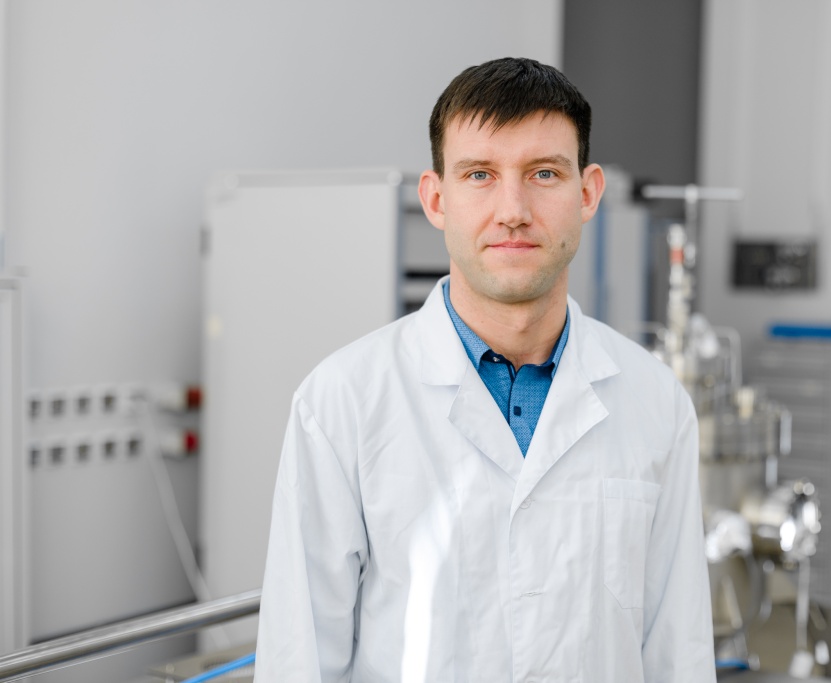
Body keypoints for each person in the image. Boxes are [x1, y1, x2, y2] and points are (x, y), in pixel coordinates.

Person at [254, 57, 714, 682]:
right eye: (479, 175)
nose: (513, 209)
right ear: (436, 198)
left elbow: (678, 653)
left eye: (544, 173)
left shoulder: (656, 401)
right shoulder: (341, 401)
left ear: (587, 193)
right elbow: (300, 659)